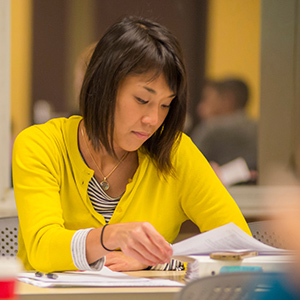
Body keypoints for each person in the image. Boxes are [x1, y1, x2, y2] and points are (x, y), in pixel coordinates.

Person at [12, 16, 251, 274]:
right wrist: (110, 237)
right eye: (141, 99)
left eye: (165, 105)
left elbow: (239, 248)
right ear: (103, 86)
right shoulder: (41, 145)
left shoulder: (176, 152)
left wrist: (153, 260)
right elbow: (42, 249)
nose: (154, 120)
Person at [190, 78, 257, 184]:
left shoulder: (209, 129)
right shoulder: (259, 130)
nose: (200, 107)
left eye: (206, 99)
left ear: (228, 100)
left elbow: (189, 173)